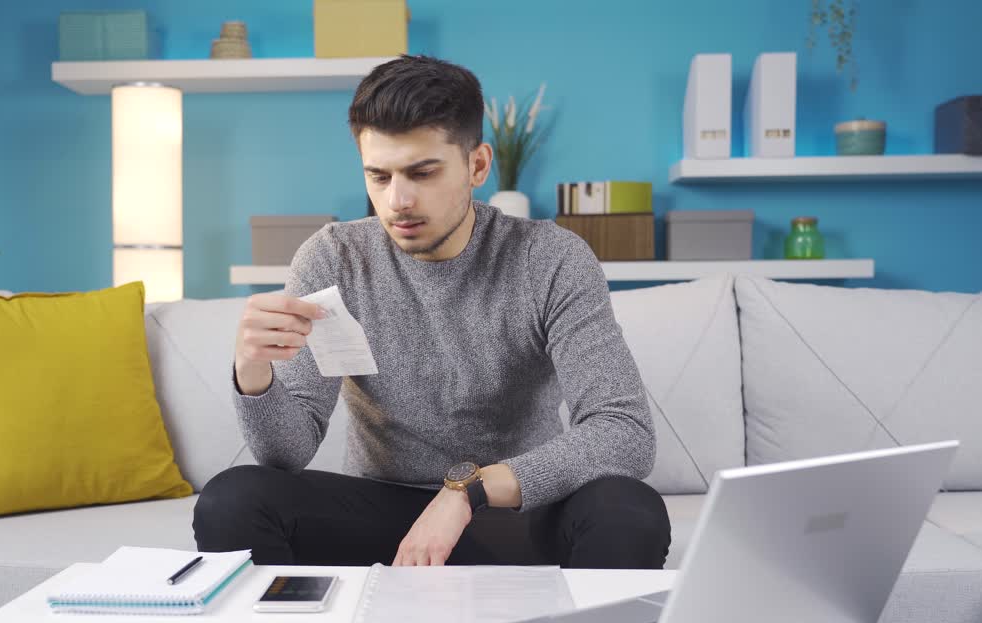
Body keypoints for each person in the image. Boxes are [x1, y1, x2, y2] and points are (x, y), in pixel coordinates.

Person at [193, 55, 670, 569]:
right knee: (232, 500)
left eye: (422, 173)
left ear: (477, 165)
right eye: (378, 177)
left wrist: (467, 492)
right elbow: (287, 454)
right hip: (384, 518)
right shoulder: (333, 257)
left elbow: (624, 431)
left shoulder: (550, 259)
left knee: (630, 512)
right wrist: (253, 373)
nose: (398, 200)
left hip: (514, 511)